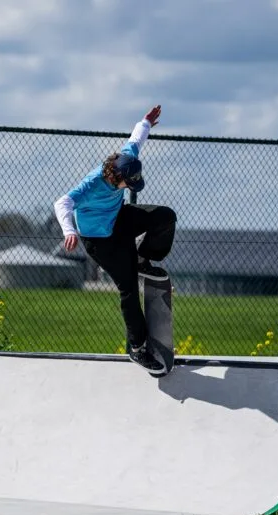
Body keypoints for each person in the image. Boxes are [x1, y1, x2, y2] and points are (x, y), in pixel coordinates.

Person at [54, 104, 177, 376]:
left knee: (165, 216)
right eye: (128, 185)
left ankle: (145, 258)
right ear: (116, 177)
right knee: (129, 288)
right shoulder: (93, 183)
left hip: (118, 220)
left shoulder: (125, 160)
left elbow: (135, 140)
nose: (130, 188)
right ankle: (137, 348)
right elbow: (63, 202)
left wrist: (145, 122)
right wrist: (69, 230)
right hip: (100, 240)